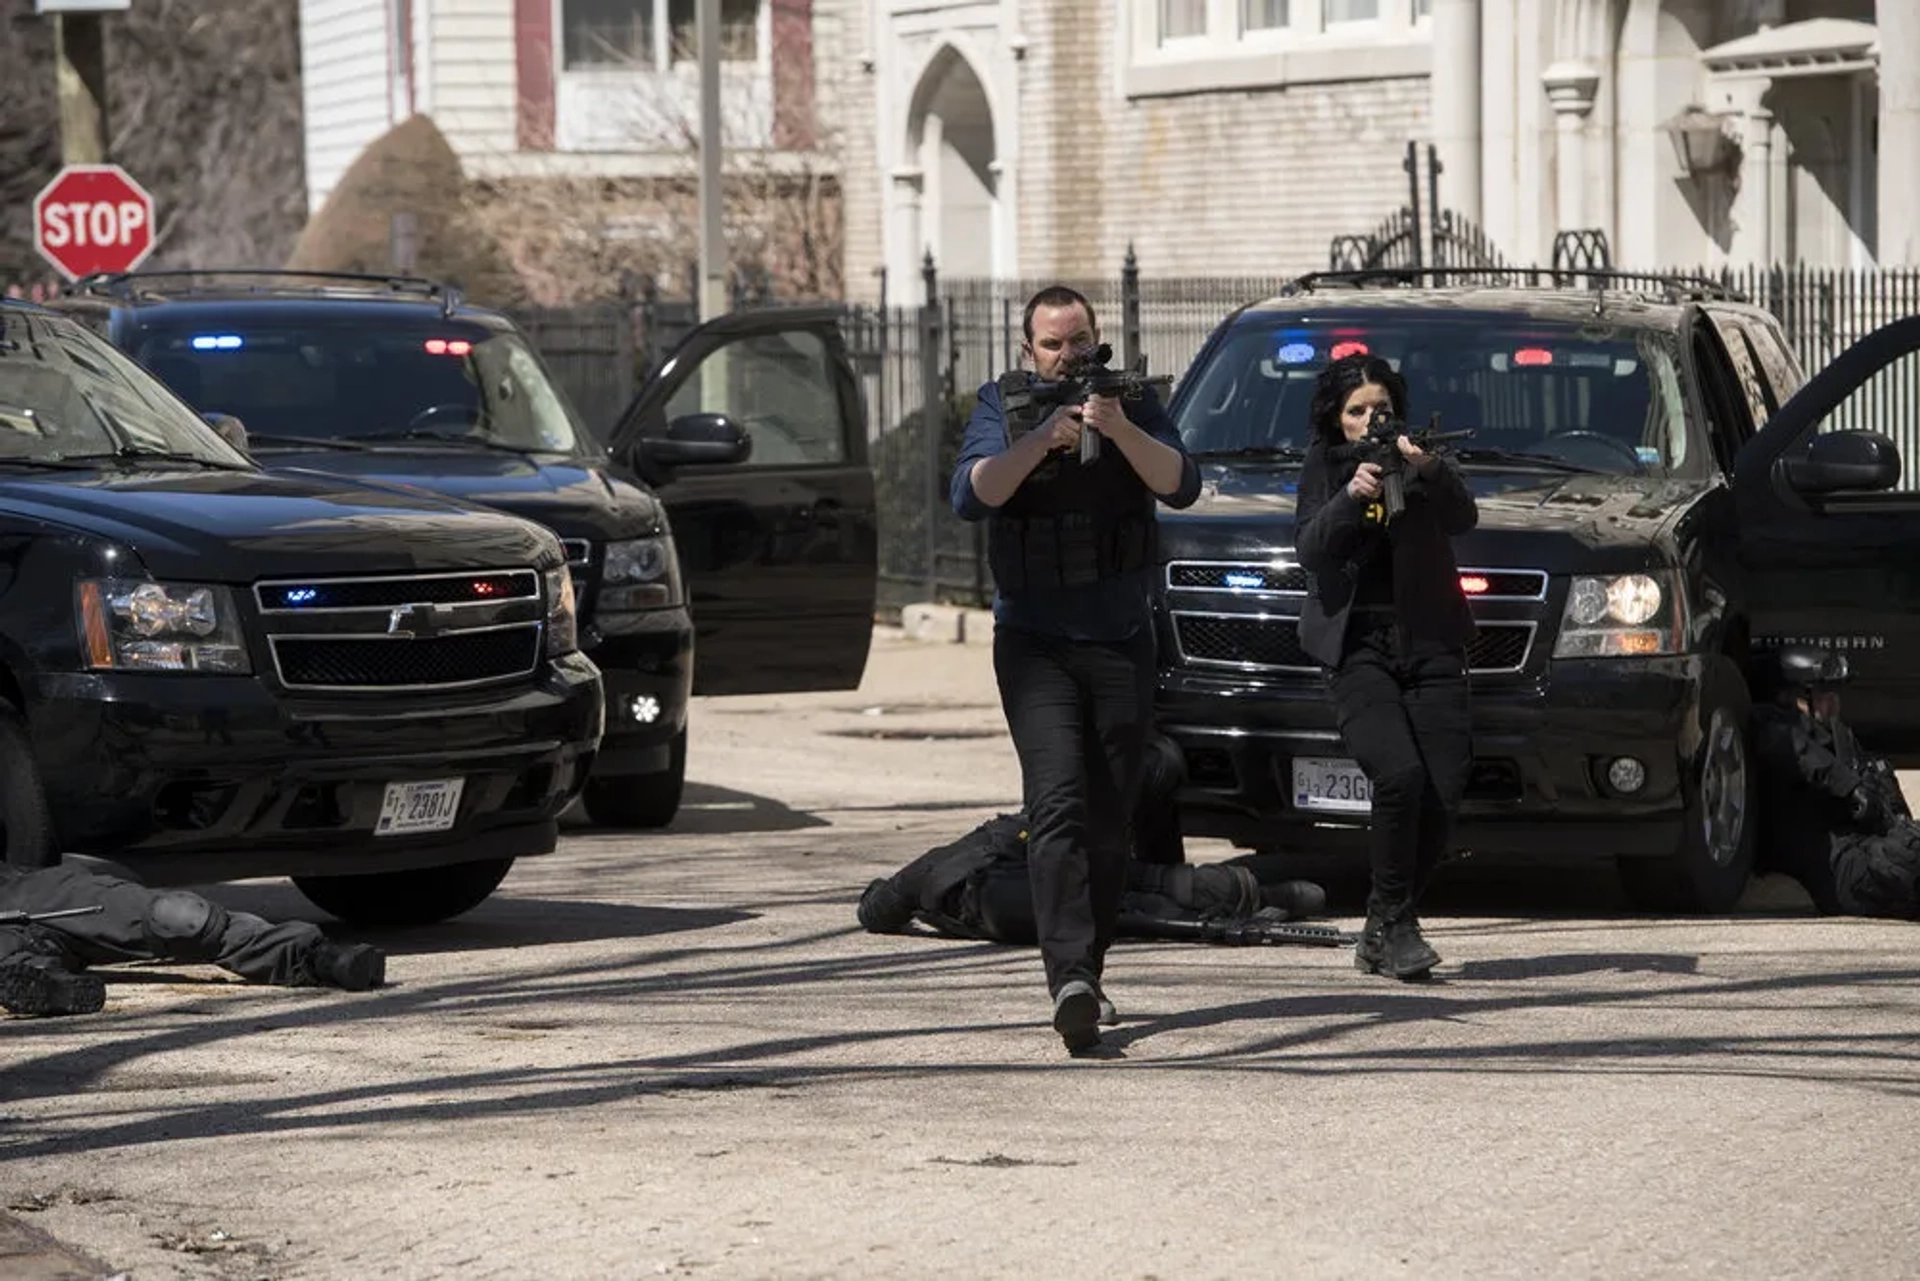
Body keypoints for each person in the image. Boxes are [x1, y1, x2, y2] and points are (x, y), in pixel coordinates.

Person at [950, 284, 1202, 1053]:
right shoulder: (1003, 403)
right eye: (1053, 343)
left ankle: (1086, 970)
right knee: (1055, 801)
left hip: (1121, 639)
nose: (1069, 354)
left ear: (1099, 338)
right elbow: (969, 493)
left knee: (1108, 811)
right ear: (1029, 349)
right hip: (1036, 644)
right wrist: (1039, 445)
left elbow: (1181, 484)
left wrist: (1118, 429)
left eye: (1079, 339)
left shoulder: (1131, 403)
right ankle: (1066, 976)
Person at [855, 733, 1331, 1025]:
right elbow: (880, 908)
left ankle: (1242, 896)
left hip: (1004, 879)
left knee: (1129, 891)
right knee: (1128, 897)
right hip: (999, 889)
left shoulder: (934, 869)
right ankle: (1243, 898)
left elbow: (877, 910)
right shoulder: (944, 866)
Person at [1293, 353, 1478, 981]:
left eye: (1380, 408)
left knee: (1442, 790)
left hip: (1430, 642)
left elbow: (1464, 516)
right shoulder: (1324, 466)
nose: (1371, 420)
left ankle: (1385, 925)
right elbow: (1311, 550)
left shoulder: (1423, 460)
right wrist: (1351, 497)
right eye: (1356, 411)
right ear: (1335, 420)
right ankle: (1394, 927)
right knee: (1398, 776)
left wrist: (1427, 469)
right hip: (1357, 648)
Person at [0, 860, 387, 1018]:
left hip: (20, 887)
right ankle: (49, 986)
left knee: (181, 918)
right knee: (17, 964)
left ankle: (317, 957)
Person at [1752, 645, 1920, 920]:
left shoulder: (1841, 740)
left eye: (1835, 695)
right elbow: (1792, 749)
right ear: (1789, 697)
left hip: (1874, 857)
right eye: (1823, 696)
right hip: (1839, 869)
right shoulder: (1771, 728)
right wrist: (1849, 787)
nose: (1833, 704)